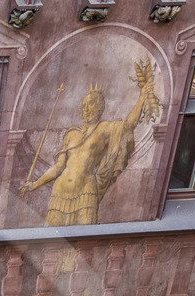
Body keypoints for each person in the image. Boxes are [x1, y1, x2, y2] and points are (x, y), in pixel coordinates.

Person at [19, 61, 160, 226]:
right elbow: (57, 168)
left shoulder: (105, 129)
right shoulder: (71, 133)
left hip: (86, 193)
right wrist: (33, 185)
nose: (87, 108)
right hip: (59, 194)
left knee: (83, 245)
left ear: (100, 108)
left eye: (91, 104)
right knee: (51, 244)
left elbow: (129, 124)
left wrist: (142, 97)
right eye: (84, 105)